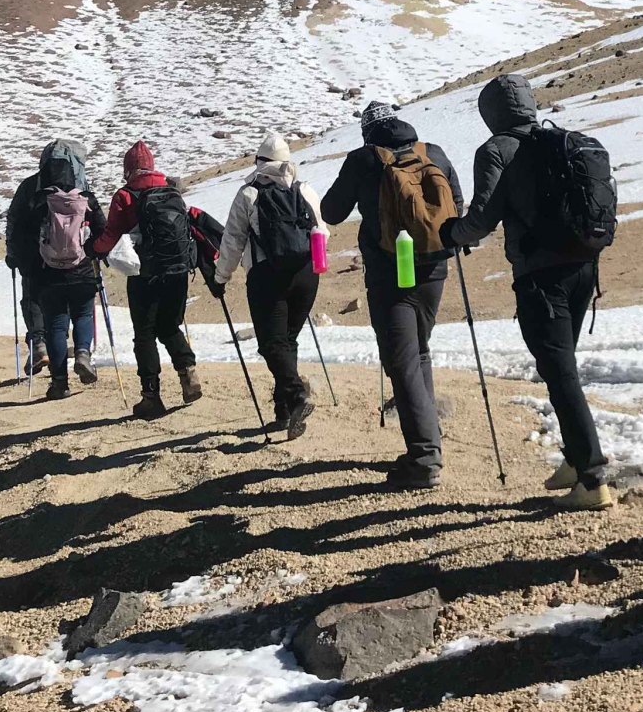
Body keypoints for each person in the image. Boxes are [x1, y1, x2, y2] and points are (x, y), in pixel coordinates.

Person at [441, 74, 613, 511]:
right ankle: (575, 461)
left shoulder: (496, 150)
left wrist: (451, 233)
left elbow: (482, 218)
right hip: (584, 267)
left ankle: (592, 479)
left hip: (541, 276)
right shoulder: (561, 142)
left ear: (491, 112)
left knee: (560, 373)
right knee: (562, 369)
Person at [322, 102, 464, 489]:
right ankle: (428, 436)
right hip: (434, 268)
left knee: (402, 362)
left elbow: (332, 212)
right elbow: (457, 204)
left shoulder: (364, 158)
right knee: (419, 351)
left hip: (390, 271)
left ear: (368, 132)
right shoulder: (432, 152)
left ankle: (424, 458)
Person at [211, 133, 323, 440]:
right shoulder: (304, 189)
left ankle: (297, 396)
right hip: (306, 275)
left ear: (259, 161)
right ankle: (283, 409)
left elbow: (232, 241)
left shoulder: (249, 194)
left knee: (272, 344)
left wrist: (220, 278)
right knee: (287, 340)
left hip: (267, 277)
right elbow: (321, 231)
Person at [90, 141, 202, 420]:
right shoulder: (171, 191)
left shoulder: (124, 196)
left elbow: (111, 235)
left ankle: (151, 397)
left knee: (145, 334)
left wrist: (94, 249)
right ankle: (188, 374)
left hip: (145, 274)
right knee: (170, 326)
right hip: (177, 270)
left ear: (128, 168)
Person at [7, 146, 106, 399]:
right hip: (82, 270)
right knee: (83, 314)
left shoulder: (37, 197)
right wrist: (95, 252)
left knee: (56, 325)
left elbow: (19, 230)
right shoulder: (84, 195)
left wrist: (17, 258)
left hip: (47, 272)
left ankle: (59, 383)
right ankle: (83, 353)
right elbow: (103, 231)